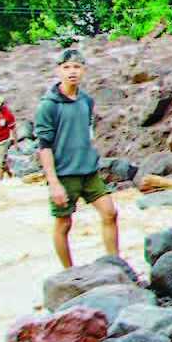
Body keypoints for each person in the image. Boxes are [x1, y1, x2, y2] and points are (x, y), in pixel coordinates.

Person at [35, 49, 119, 268]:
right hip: (64, 174)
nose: (72, 72)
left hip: (89, 172)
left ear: (84, 70)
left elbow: (87, 133)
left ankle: (115, 263)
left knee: (110, 213)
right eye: (66, 67)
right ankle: (69, 273)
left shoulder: (86, 101)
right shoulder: (48, 105)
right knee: (64, 224)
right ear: (58, 71)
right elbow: (44, 146)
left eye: (76, 67)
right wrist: (53, 183)